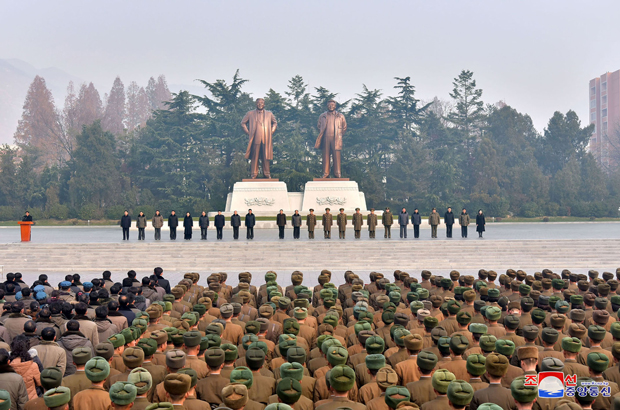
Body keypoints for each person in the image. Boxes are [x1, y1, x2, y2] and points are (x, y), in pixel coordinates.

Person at [241, 98, 278, 179]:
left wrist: (271, 132)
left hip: (266, 138)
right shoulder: (250, 113)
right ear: (256, 104)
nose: (260, 104)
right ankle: (254, 174)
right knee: (255, 156)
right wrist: (248, 132)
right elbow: (243, 123)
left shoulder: (269, 114)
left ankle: (267, 173)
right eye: (258, 103)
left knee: (266, 157)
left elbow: (275, 123)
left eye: (261, 103)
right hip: (255, 138)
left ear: (264, 104)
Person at [315, 99, 347, 178]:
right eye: (329, 105)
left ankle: (337, 173)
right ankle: (326, 173)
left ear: (335, 106)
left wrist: (339, 135)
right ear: (327, 106)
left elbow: (344, 127)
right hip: (326, 138)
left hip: (336, 138)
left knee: (336, 156)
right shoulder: (322, 116)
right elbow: (319, 126)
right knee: (325, 156)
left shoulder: (340, 116)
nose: (331, 106)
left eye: (332, 105)